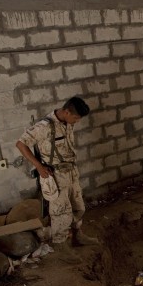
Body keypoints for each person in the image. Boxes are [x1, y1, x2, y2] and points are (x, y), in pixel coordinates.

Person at [16, 97, 100, 252]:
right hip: (55, 175)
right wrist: (39, 166)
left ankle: (77, 235)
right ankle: (62, 247)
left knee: (78, 206)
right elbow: (21, 144)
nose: (76, 121)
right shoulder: (44, 126)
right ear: (66, 111)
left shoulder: (67, 122)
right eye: (75, 118)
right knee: (61, 212)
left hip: (71, 172)